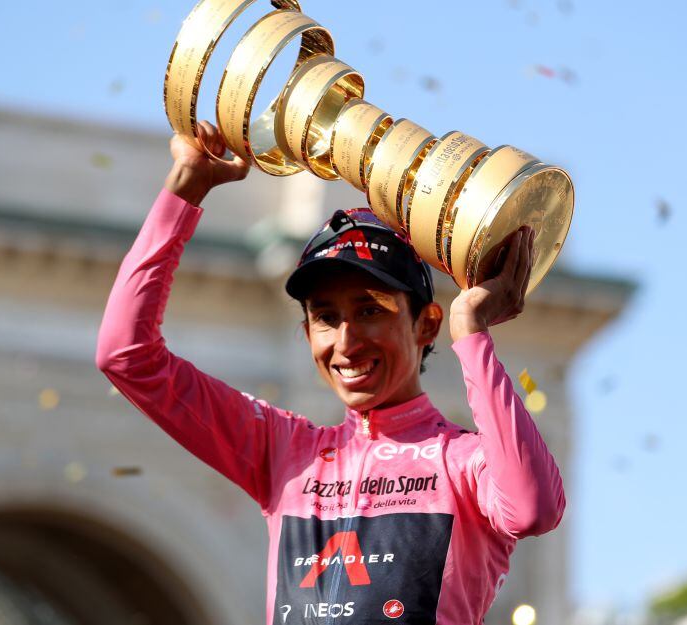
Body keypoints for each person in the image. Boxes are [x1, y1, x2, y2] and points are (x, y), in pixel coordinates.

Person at [95, 121, 565, 624]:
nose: (346, 341)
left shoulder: (462, 461)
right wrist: (185, 188)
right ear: (306, 333)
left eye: (370, 310)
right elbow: (126, 356)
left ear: (427, 324)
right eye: (325, 317)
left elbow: (532, 508)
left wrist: (471, 332)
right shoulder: (283, 451)